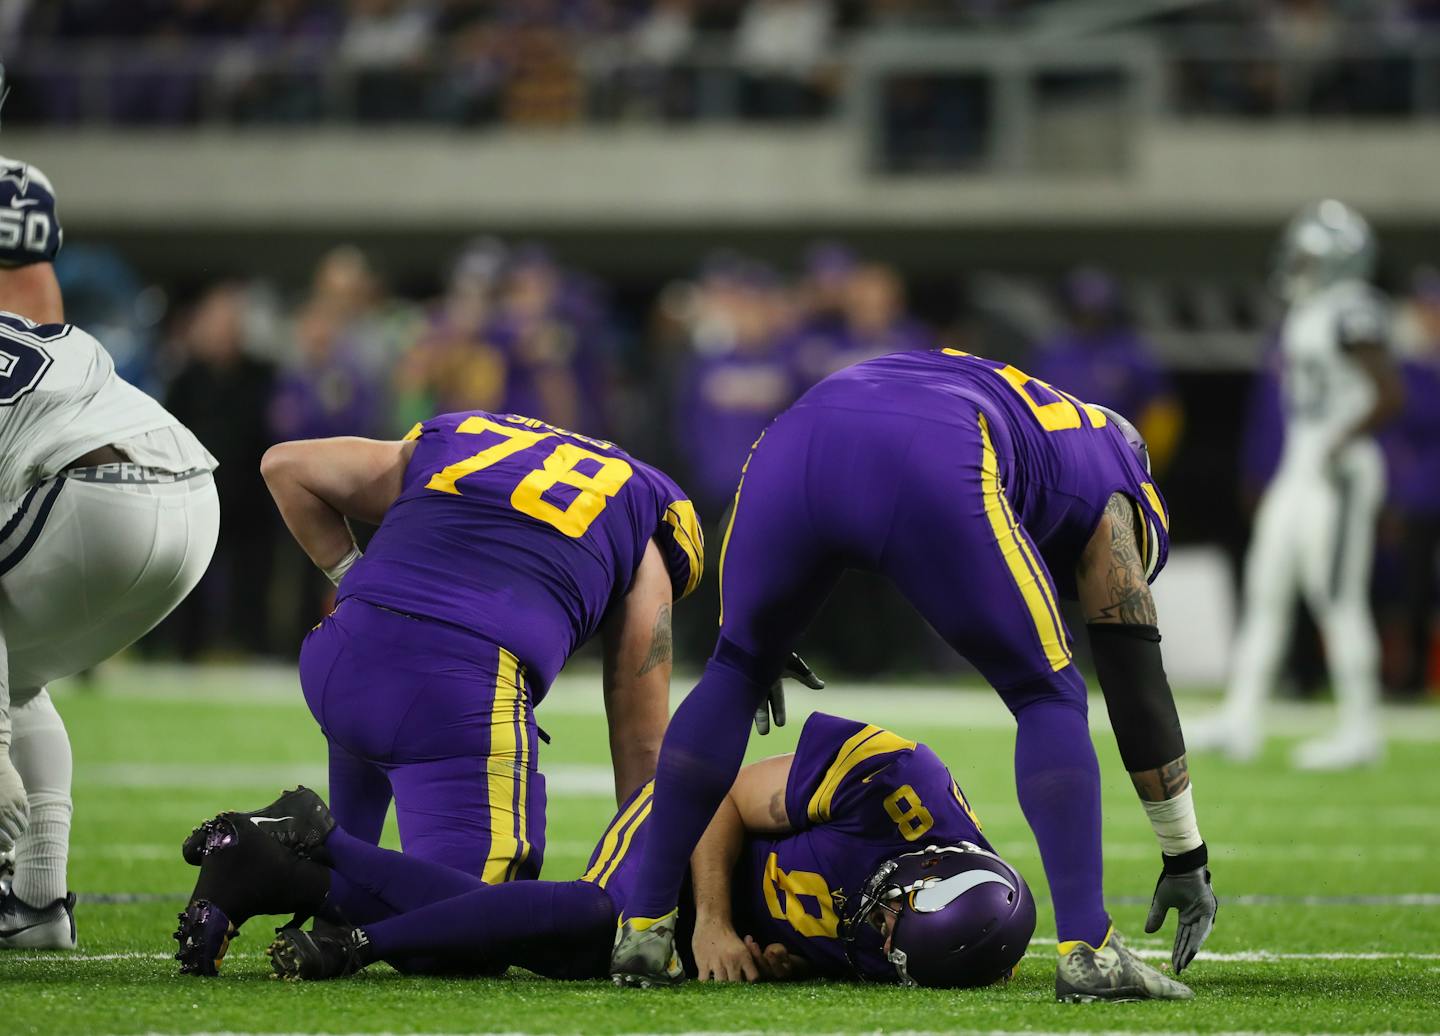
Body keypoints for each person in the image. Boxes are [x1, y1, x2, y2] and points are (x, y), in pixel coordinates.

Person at [607, 347, 1218, 1002]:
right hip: (932, 450)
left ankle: (644, 928)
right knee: (1050, 693)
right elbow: (1135, 679)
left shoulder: (1014, 401)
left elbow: (835, 436)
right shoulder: (1116, 480)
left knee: (735, 668)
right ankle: (1089, 950)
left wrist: (758, 632)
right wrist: (1184, 853)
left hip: (793, 436)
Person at [177, 407, 715, 968]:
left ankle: (281, 872)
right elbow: (643, 747)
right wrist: (652, 892)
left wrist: (351, 576)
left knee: (373, 890)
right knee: (470, 933)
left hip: (343, 652)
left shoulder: (463, 440)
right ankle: (279, 865)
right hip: (458, 687)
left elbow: (286, 465)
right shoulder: (647, 526)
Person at [176, 711, 1037, 991]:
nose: (874, 924)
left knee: (498, 954)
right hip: (690, 821)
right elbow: (724, 795)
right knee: (596, 923)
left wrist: (782, 956)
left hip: (732, 906)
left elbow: (836, 933)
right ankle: (345, 912)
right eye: (888, 913)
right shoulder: (899, 786)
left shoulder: (917, 943)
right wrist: (709, 920)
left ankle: (289, 863)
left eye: (887, 938)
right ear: (924, 869)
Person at [0, 155, 219, 950]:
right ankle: (37, 905)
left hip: (93, 499)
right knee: (19, 678)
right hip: (193, 496)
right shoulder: (43, 322)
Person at [1189, 201, 1403, 769]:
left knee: (1337, 600)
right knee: (1266, 592)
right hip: (1301, 468)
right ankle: (1241, 719)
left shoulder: (1353, 311)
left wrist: (1338, 442)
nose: (1298, 264)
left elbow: (1389, 394)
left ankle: (1362, 730)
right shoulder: (1304, 313)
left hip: (1339, 471)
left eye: (1309, 255)